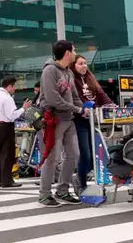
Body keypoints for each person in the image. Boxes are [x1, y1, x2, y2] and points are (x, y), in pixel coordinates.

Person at [38, 40, 85, 207]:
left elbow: (74, 96)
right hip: (54, 120)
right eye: (73, 50)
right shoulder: (49, 71)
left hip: (68, 119)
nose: (75, 52)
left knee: (74, 154)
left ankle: (62, 191)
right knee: (53, 158)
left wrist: (83, 108)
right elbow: (53, 99)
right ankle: (44, 194)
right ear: (66, 53)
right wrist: (78, 110)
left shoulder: (68, 73)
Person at [71, 54, 113, 192]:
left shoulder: (91, 79)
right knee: (86, 154)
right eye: (80, 63)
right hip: (79, 121)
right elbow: (76, 99)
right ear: (74, 65)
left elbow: (101, 95)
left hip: (93, 121)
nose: (84, 66)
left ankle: (81, 176)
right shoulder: (72, 80)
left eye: (85, 63)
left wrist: (111, 105)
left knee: (95, 153)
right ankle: (80, 180)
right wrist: (83, 109)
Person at [0, 77, 31, 189]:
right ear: (10, 86)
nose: (15, 89)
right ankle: (6, 181)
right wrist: (23, 108)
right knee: (7, 154)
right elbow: (12, 116)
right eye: (14, 86)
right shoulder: (7, 98)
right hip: (4, 126)